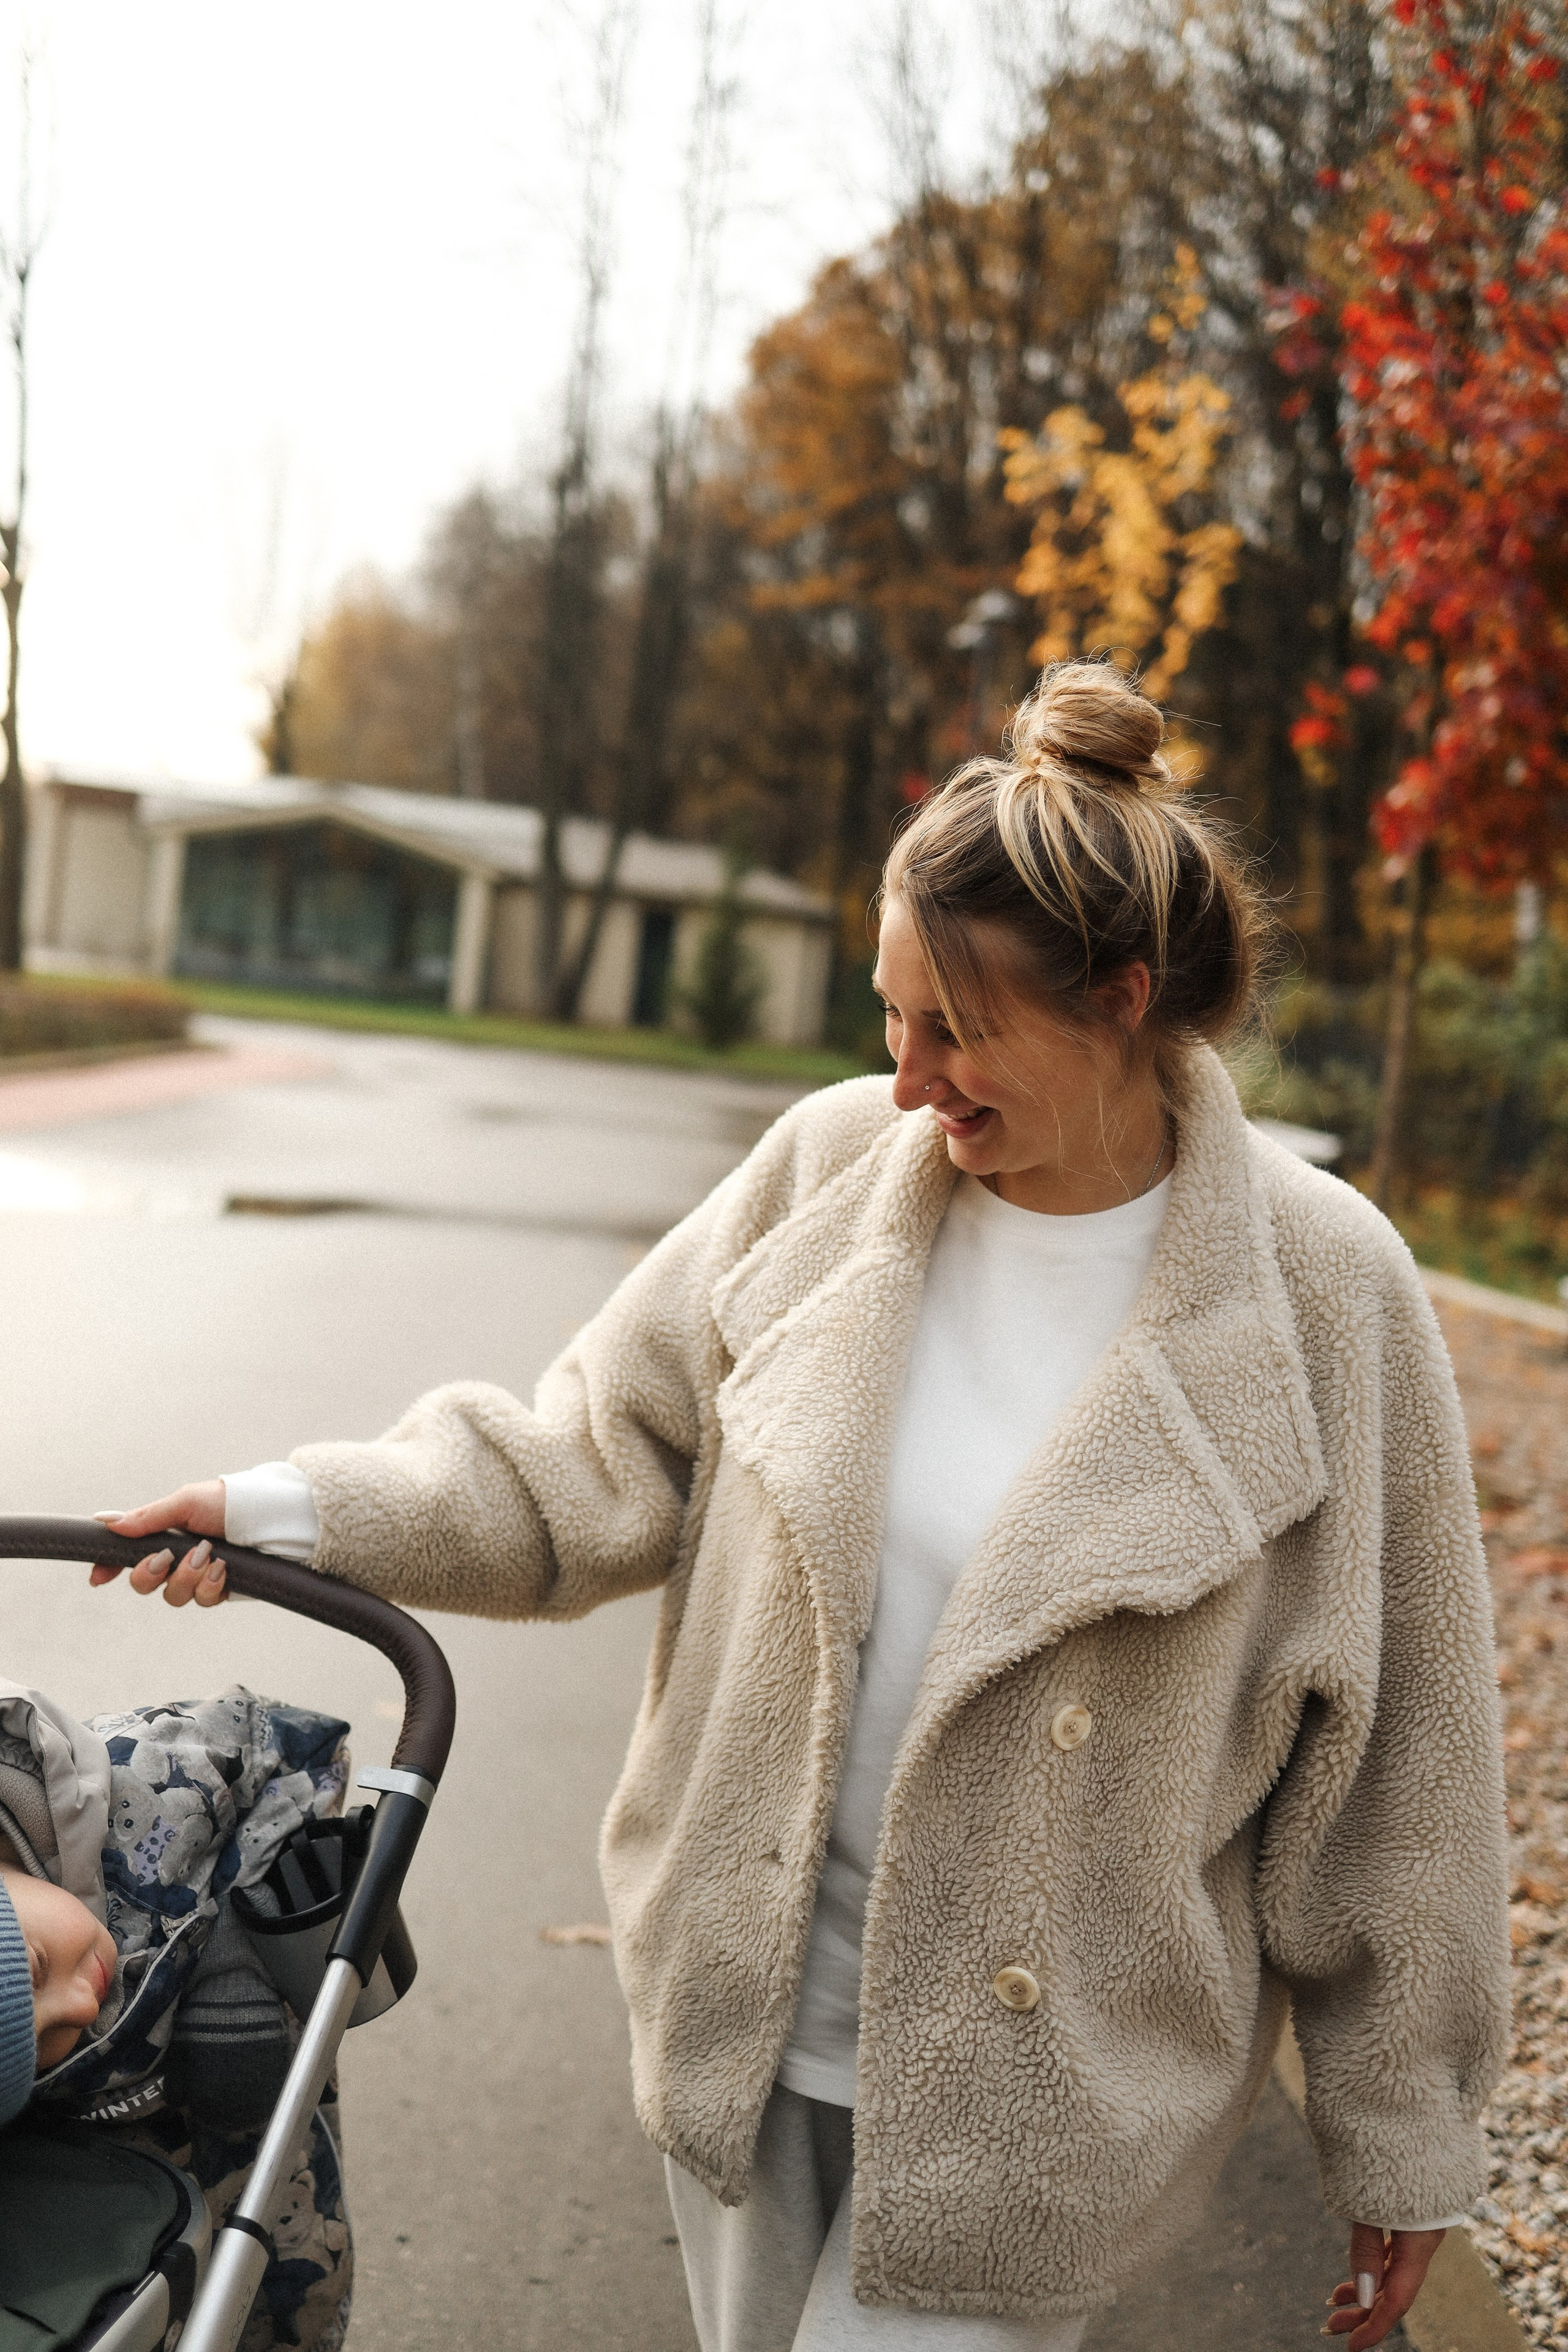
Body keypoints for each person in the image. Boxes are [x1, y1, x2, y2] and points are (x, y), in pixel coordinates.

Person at [98, 660, 1509, 2352]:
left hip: (1055, 2089)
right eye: (889, 1012)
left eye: (959, 1032)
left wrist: (1401, 2134)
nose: (908, 1078)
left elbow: (1402, 1765)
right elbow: (586, 1461)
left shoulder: (1330, 1293)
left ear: (1125, 996)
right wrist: (285, 1509)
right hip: (746, 2016)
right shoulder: (831, 1175)